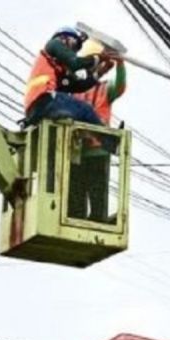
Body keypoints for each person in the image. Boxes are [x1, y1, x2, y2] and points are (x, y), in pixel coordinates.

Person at [67, 41, 127, 221]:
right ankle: (77, 219)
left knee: (97, 191)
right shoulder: (75, 91)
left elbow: (120, 86)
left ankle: (97, 220)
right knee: (76, 192)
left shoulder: (104, 88)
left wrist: (120, 64)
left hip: (98, 148)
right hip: (77, 149)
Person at [24, 26, 113, 126]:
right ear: (65, 38)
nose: (73, 51)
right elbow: (75, 63)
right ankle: (106, 138)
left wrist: (101, 72)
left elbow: (78, 86)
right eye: (75, 45)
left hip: (38, 108)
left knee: (81, 117)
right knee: (86, 110)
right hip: (44, 101)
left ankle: (98, 137)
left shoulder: (56, 69)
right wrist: (98, 58)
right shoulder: (53, 44)